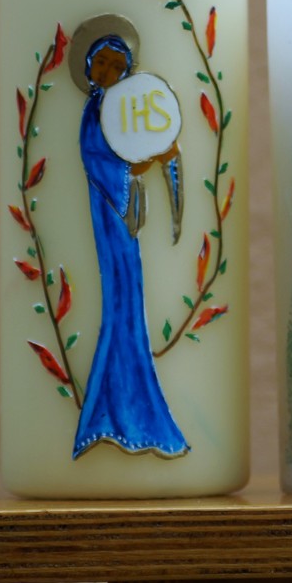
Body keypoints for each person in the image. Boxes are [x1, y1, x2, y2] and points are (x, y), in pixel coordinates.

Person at [72, 34, 188, 459]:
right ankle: (113, 413)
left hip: (125, 222)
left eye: (118, 67)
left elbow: (130, 147)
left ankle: (131, 411)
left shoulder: (119, 108)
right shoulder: (95, 112)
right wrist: (154, 159)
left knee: (130, 298)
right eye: (102, 62)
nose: (108, 72)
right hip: (111, 217)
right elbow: (103, 164)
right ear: (89, 65)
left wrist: (159, 152)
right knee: (119, 300)